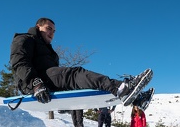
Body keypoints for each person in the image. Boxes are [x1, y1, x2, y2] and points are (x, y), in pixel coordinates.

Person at [9, 18, 152, 107]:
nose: (52, 33)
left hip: (47, 82)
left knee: (81, 79)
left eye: (54, 31)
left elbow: (59, 78)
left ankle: (136, 99)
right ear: (38, 27)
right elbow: (19, 62)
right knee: (74, 74)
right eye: (49, 28)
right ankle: (121, 88)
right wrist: (36, 84)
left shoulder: (51, 53)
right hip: (33, 82)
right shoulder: (25, 39)